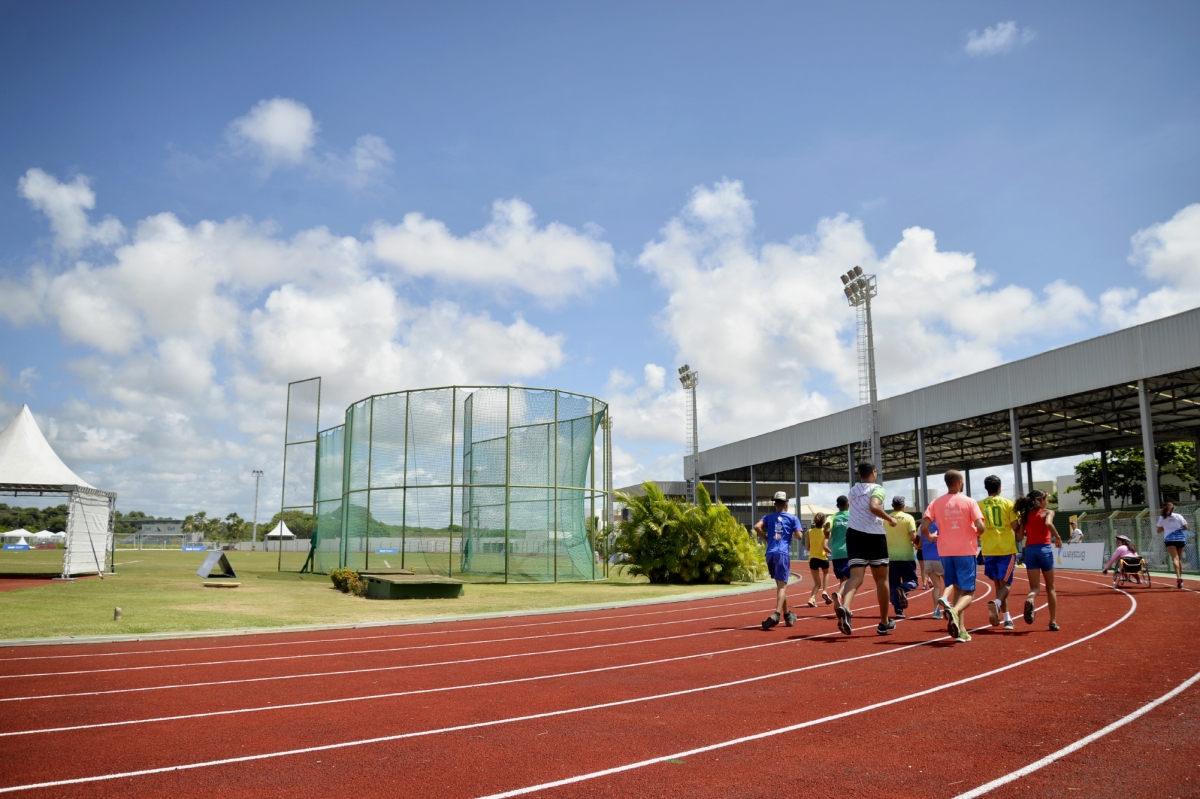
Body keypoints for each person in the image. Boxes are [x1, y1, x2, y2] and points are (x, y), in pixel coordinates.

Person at [833, 461, 898, 636]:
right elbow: (874, 506)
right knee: (881, 580)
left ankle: (846, 607)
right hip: (874, 535)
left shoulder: (852, 491)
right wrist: (889, 518)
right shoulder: (877, 489)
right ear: (873, 473)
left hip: (853, 534)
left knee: (855, 577)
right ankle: (884, 622)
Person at [920, 470, 984, 643]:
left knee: (956, 588)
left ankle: (961, 630)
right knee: (969, 592)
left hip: (946, 551)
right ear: (959, 482)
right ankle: (954, 612)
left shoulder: (935, 503)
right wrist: (977, 533)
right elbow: (981, 526)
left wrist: (929, 536)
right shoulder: (970, 502)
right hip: (965, 551)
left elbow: (924, 525)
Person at [1013, 488, 1063, 631]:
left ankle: (1030, 599)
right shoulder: (1047, 512)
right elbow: (1048, 524)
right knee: (1050, 587)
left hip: (1030, 551)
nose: (1047, 502)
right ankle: (1052, 621)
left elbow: (1020, 537)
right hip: (1045, 550)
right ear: (1040, 500)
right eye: (1046, 499)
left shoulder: (1025, 515)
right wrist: (1058, 537)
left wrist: (1023, 527)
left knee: (1034, 587)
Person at [754, 491, 803, 630]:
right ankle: (776, 614)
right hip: (782, 554)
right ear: (787, 504)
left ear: (774, 504)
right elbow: (799, 536)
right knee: (782, 587)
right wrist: (795, 531)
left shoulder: (768, 517)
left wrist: (766, 538)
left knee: (780, 585)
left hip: (770, 553)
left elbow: (756, 527)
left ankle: (788, 615)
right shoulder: (793, 518)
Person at [979, 475, 1019, 630]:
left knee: (998, 585)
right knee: (1006, 585)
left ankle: (1007, 618)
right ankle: (997, 604)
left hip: (988, 549)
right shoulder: (1009, 503)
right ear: (1000, 487)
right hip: (1006, 548)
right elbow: (1015, 526)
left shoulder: (979, 505)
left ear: (985, 488)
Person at [886, 496, 920, 619]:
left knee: (893, 583)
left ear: (892, 505)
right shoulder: (909, 518)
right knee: (913, 581)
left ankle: (899, 610)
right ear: (904, 505)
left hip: (890, 556)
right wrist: (918, 543)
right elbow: (913, 536)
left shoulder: (886, 519)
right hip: (906, 556)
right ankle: (904, 588)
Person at [1158, 501, 1191, 589]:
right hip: (1180, 538)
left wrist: (1163, 529)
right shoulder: (1178, 516)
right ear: (1173, 508)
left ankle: (1178, 577)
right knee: (1179, 558)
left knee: (1174, 558)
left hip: (1169, 539)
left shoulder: (1162, 517)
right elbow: (1186, 527)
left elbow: (1160, 529)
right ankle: (1180, 577)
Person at [920, 518, 946, 620]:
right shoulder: (941, 523)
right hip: (940, 558)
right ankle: (948, 606)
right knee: (949, 585)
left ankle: (936, 611)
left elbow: (919, 544)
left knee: (937, 587)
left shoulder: (923, 526)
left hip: (927, 559)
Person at [805, 512, 833, 607]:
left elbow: (807, 548)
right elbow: (825, 545)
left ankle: (812, 598)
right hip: (823, 557)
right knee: (826, 573)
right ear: (824, 522)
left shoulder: (809, 532)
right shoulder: (826, 532)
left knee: (817, 583)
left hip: (813, 559)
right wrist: (830, 551)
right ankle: (824, 591)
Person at [829, 495, 851, 600]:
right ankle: (840, 596)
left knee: (842, 580)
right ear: (848, 505)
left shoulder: (833, 517)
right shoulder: (852, 516)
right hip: (848, 552)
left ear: (837, 505)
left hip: (836, 553)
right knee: (848, 580)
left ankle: (841, 606)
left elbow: (826, 530)